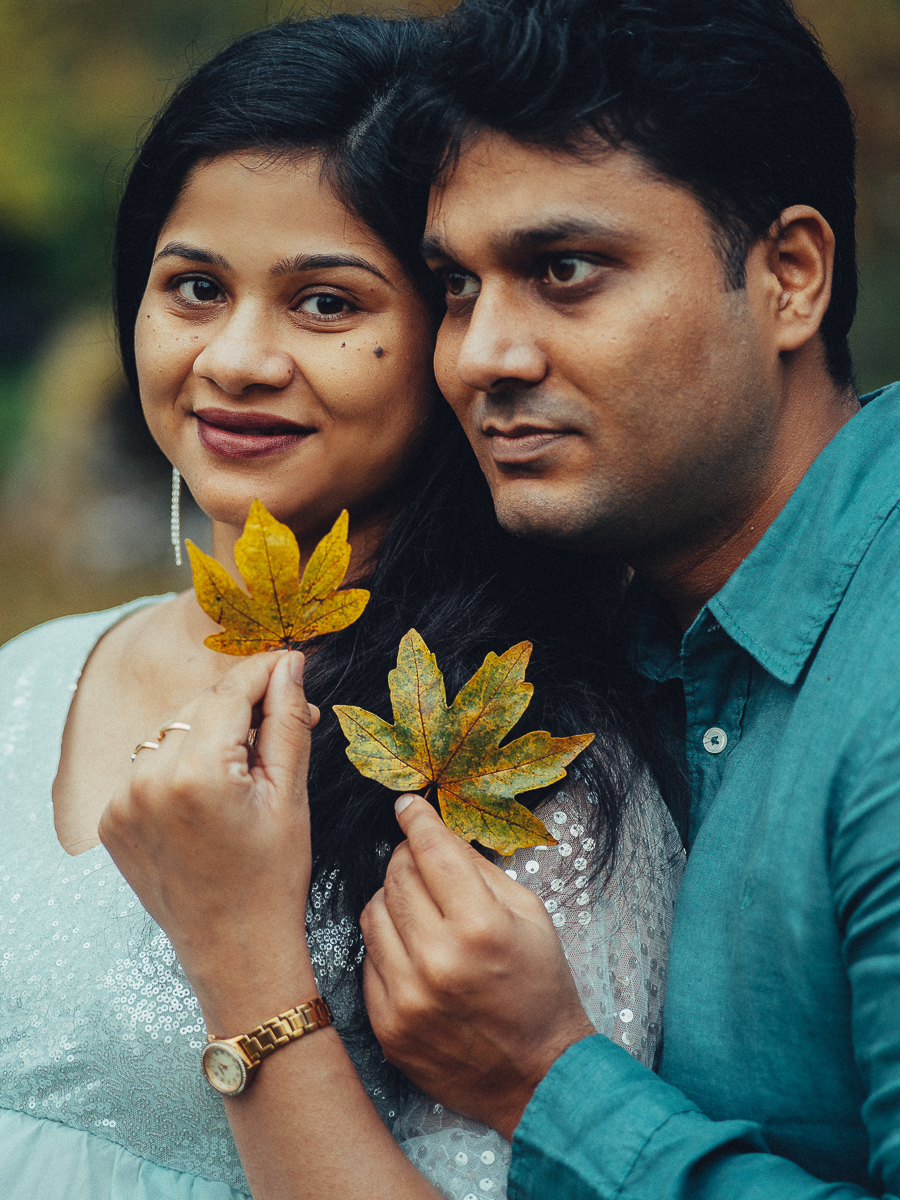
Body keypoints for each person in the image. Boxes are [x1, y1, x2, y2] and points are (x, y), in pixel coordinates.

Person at [0, 12, 683, 1200]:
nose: (237, 359)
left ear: (451, 337)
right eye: (195, 287)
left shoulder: (520, 773)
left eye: (326, 304)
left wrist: (245, 966)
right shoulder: (28, 677)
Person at [358, 0, 900, 1196]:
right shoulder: (604, 632)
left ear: (790, 278)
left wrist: (549, 1085)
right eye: (456, 285)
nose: (482, 356)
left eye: (565, 271)